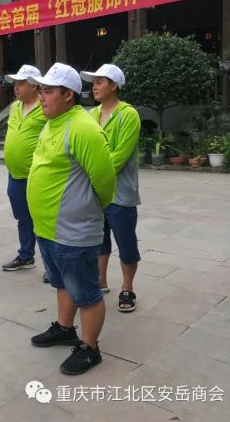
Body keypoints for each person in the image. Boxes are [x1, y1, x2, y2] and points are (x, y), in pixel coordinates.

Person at [26, 62, 116, 376]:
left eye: (48, 91)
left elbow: (105, 179)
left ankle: (90, 348)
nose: (41, 97)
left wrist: (88, 209)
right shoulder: (52, 122)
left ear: (68, 95)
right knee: (61, 281)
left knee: (86, 293)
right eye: (41, 90)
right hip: (47, 228)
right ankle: (65, 328)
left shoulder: (83, 128)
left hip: (73, 231)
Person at [81, 64, 141, 313]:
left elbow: (120, 156)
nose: (94, 86)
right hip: (96, 191)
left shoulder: (129, 115)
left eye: (100, 82)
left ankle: (127, 286)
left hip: (120, 192)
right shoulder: (91, 115)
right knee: (98, 239)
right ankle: (101, 280)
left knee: (125, 241)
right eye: (93, 82)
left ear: (114, 85)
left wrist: (94, 171)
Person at [1, 65, 47, 272]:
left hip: (36, 176)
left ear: (34, 86)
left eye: (20, 83)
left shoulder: (45, 107)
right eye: (15, 83)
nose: (16, 87)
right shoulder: (14, 107)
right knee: (23, 218)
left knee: (42, 219)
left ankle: (52, 266)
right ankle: (26, 256)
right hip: (14, 174)